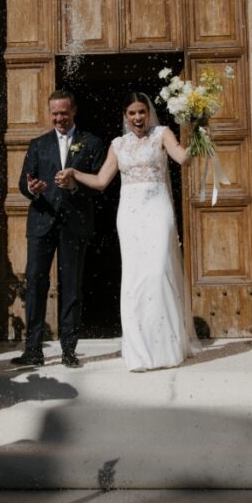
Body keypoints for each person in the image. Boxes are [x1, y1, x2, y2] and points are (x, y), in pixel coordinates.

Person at [56, 92, 196, 371]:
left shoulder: (162, 134)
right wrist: (74, 172)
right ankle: (140, 352)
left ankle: (166, 349)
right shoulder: (118, 144)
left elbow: (184, 159)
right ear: (125, 116)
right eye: (131, 113)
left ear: (148, 113)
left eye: (141, 112)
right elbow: (100, 180)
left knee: (157, 273)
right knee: (134, 280)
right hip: (129, 214)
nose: (137, 118)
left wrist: (199, 132)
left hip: (157, 209)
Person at [13, 90, 106, 368]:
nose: (59, 118)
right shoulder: (38, 144)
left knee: (71, 288)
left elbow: (101, 186)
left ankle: (68, 350)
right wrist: (32, 189)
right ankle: (33, 350)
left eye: (64, 113)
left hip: (75, 225)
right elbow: (23, 183)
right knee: (36, 284)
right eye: (55, 113)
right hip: (42, 222)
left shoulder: (91, 142)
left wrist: (76, 185)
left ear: (74, 111)